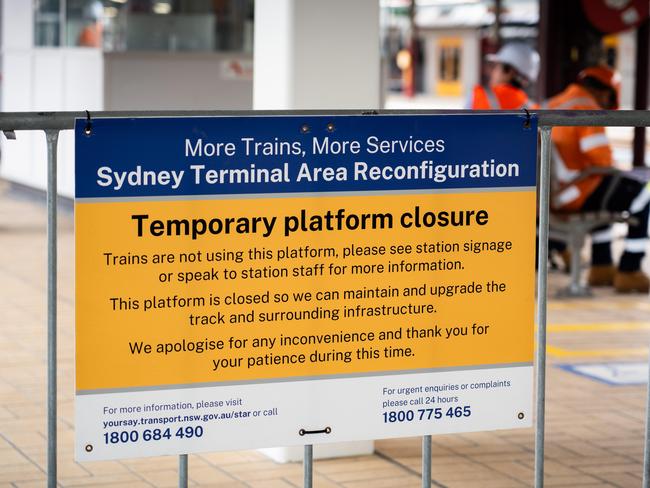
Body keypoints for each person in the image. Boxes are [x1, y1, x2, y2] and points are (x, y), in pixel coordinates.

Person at [546, 65, 650, 293]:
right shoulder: (585, 108)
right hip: (574, 193)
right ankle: (630, 270)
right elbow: (602, 160)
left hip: (552, 195)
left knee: (608, 194)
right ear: (606, 94)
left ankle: (602, 266)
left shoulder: (553, 103)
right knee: (641, 195)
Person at [469, 42, 540, 110]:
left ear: (509, 71)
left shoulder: (477, 96)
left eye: (496, 66)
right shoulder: (534, 109)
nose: (493, 72)